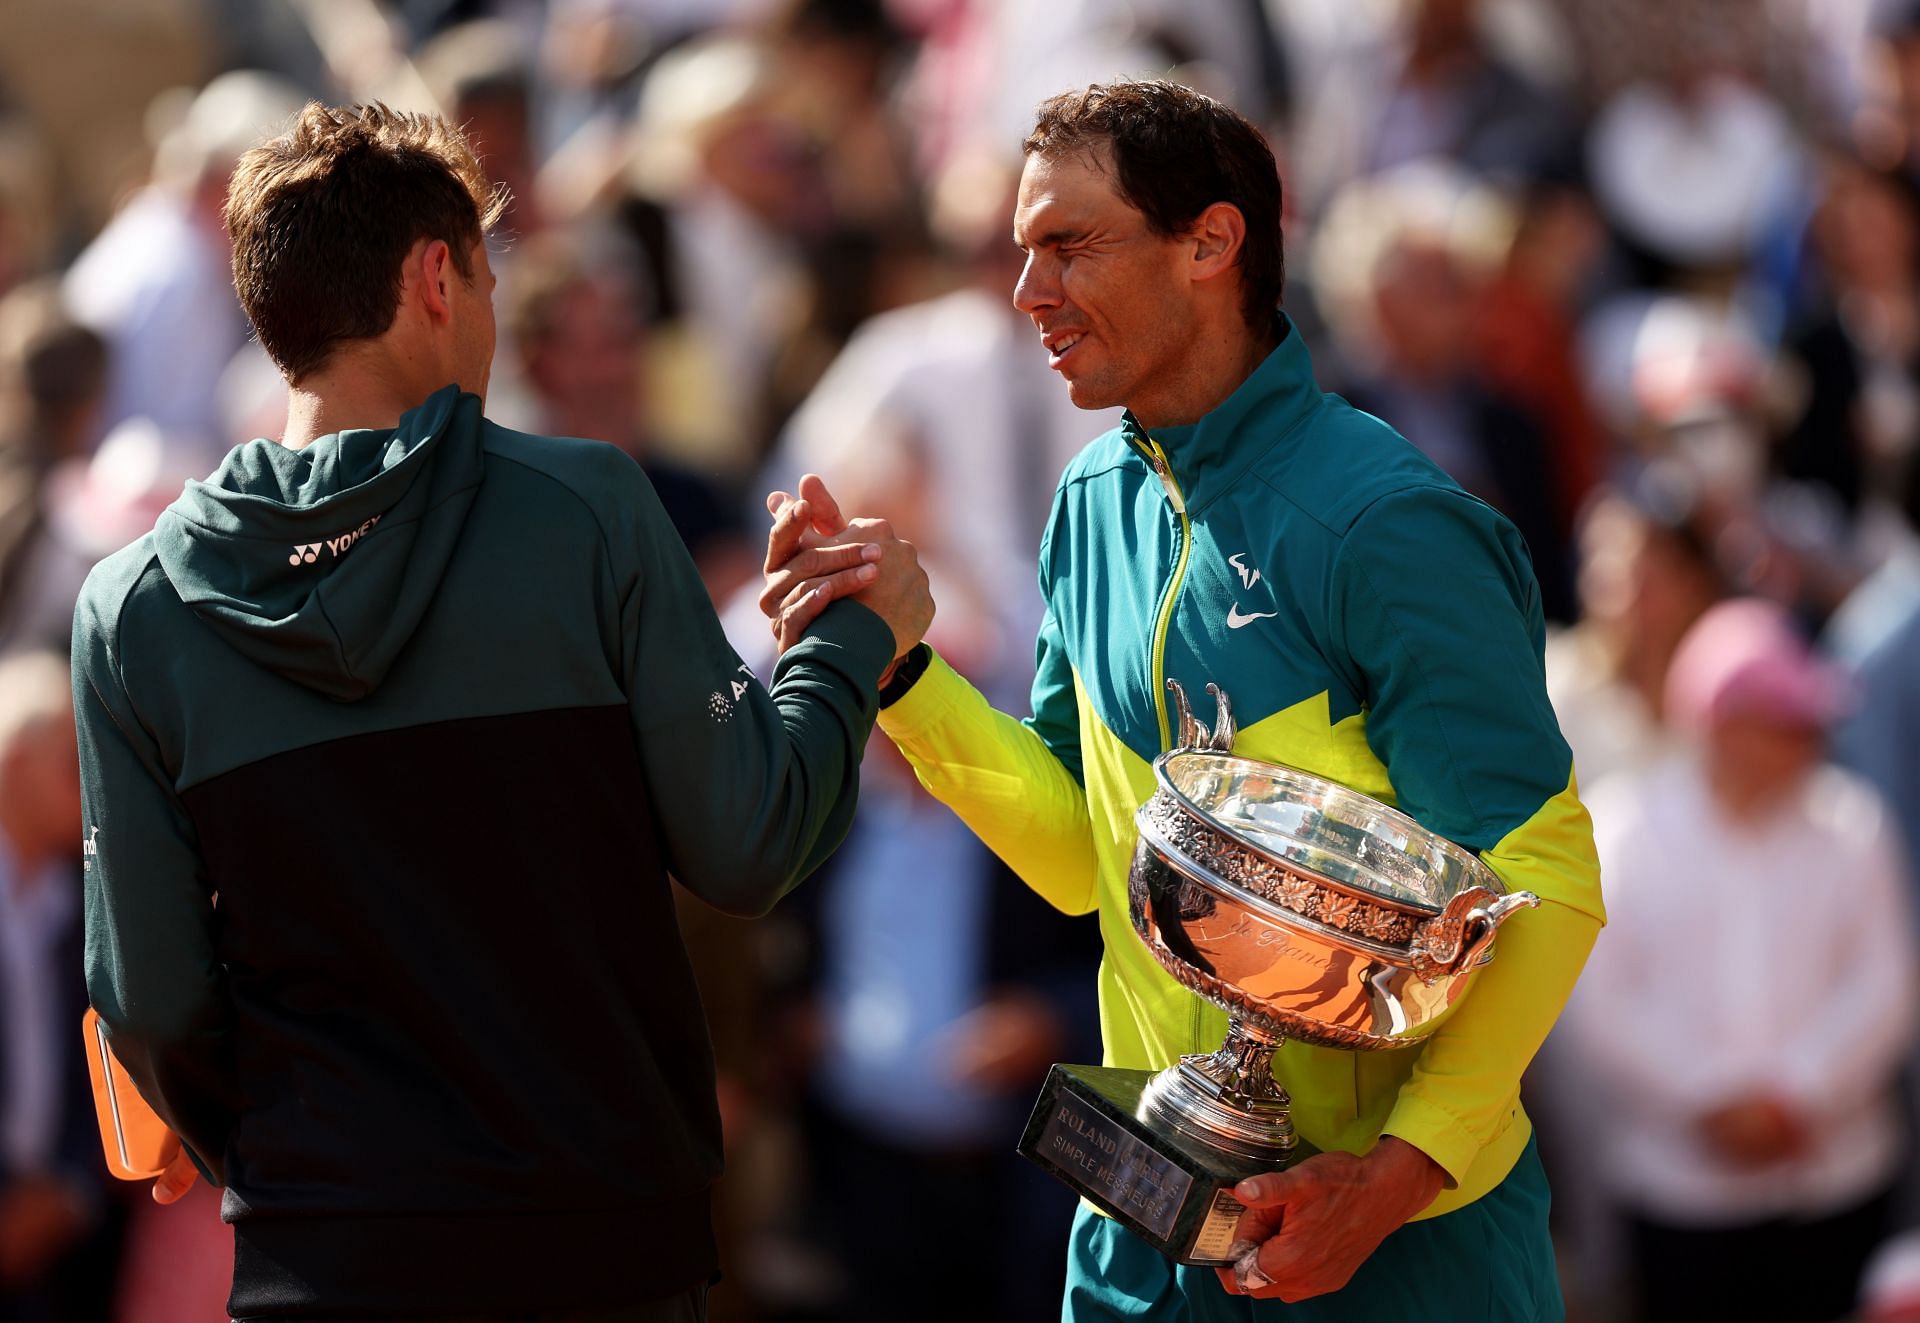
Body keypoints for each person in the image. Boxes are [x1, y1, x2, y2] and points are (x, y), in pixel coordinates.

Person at [71, 102, 931, 1322]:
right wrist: (854, 634)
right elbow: (748, 844)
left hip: (322, 1259)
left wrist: (300, 1169)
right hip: (605, 1250)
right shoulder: (587, 510)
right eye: (485, 268)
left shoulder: (131, 610)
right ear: (437, 277)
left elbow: (151, 1004)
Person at [761, 79, 1602, 1318]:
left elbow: (1549, 884)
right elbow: (1080, 857)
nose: (1026, 293)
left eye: (1070, 245)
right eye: (1022, 251)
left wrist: (1380, 1187)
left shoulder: (1392, 521)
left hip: (1387, 1248)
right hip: (1142, 1225)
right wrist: (899, 669)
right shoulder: (1093, 501)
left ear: (1211, 244)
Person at [1560, 598, 1917, 1323]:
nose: (1806, 738)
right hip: (1678, 1187)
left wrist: (1797, 1095)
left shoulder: (1853, 822)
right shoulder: (1625, 830)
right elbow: (1600, 1001)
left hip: (1838, 1173)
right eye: (1782, 720)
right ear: (1720, 723)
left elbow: (1886, 983)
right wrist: (1709, 1098)